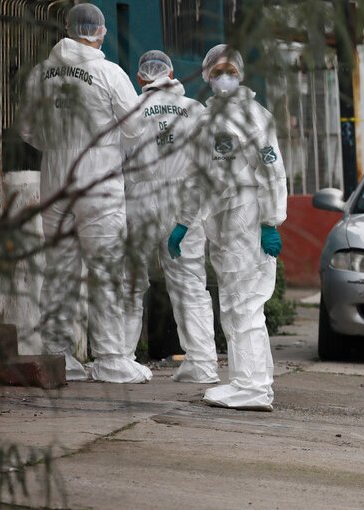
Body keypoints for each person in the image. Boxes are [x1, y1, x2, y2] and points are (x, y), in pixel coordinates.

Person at [19, 3, 151, 383]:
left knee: (59, 270)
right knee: (105, 268)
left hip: (56, 177)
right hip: (98, 178)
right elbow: (135, 126)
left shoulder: (40, 75)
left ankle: (60, 357)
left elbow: (28, 130)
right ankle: (111, 358)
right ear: (100, 31)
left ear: (67, 28)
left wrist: (59, 144)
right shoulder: (108, 72)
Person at [168, 44, 288, 410]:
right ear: (206, 75)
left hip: (247, 215)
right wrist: (184, 222)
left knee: (244, 303)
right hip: (222, 220)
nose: (223, 77)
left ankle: (252, 388)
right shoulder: (206, 120)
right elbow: (196, 177)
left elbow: (272, 171)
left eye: (230, 71)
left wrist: (271, 221)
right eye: (217, 71)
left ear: (240, 74)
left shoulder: (254, 116)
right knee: (237, 303)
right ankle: (250, 379)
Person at [122, 50, 218, 383]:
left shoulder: (131, 109)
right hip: (184, 201)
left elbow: (113, 160)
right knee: (190, 283)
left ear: (140, 78)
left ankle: (121, 358)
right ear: (173, 73)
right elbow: (209, 164)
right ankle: (203, 362)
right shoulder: (196, 110)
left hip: (140, 200)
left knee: (130, 281)